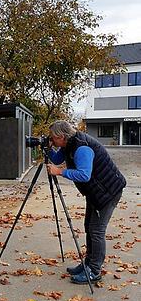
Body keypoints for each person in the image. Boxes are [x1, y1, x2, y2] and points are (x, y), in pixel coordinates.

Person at [46, 120, 126, 284]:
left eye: (53, 138)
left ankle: (94, 271)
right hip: (96, 191)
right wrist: (46, 147)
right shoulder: (68, 144)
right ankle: (88, 264)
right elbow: (55, 159)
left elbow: (84, 175)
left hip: (108, 192)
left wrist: (60, 172)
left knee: (96, 231)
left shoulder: (82, 148)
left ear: (62, 136)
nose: (52, 140)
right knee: (88, 226)